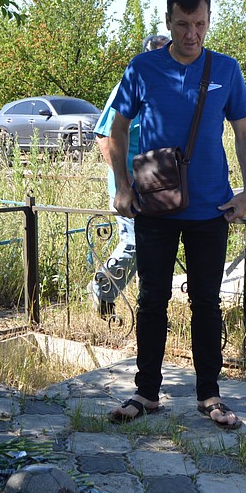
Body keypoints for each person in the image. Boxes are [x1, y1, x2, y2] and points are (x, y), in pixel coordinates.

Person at [106, 0, 246, 429]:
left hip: (211, 209)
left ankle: (209, 395)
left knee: (206, 303)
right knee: (152, 299)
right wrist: (121, 186)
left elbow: (245, 134)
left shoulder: (226, 70)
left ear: (208, 21)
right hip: (154, 206)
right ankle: (146, 393)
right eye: (182, 24)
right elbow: (116, 129)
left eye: (200, 24)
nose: (192, 33)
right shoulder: (143, 68)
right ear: (168, 21)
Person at [88, 33, 171, 318]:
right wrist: (123, 182)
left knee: (153, 247)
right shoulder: (129, 85)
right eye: (155, 56)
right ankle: (102, 291)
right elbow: (103, 134)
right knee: (134, 243)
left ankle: (150, 312)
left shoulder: (167, 88)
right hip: (131, 183)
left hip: (157, 181)